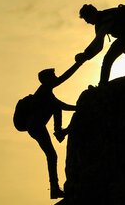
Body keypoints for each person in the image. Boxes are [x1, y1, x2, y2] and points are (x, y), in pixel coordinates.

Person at [23, 62, 82, 199]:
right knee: (52, 155)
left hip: (36, 126)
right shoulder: (44, 91)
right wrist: (79, 62)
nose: (56, 78)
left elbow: (59, 105)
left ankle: (58, 131)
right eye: (53, 76)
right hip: (36, 127)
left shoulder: (47, 92)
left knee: (56, 107)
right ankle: (54, 189)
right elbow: (64, 81)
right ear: (47, 80)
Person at [76, 2, 125, 85]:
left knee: (114, 51)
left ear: (91, 14)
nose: (87, 22)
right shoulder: (99, 24)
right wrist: (86, 57)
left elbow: (98, 38)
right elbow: (99, 46)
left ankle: (103, 84)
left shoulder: (105, 17)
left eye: (86, 19)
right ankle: (103, 84)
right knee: (110, 56)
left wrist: (85, 54)